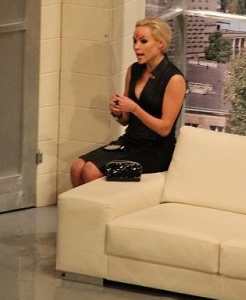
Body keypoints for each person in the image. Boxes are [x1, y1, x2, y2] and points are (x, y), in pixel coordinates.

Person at [69, 17, 187, 187]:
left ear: (160, 44)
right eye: (134, 41)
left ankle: (102, 205)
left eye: (143, 41)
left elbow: (164, 129)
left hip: (156, 150)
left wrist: (135, 109)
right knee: (77, 167)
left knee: (91, 171)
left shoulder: (174, 79)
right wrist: (118, 112)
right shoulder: (134, 70)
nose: (136, 47)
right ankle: (80, 206)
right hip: (130, 141)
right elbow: (125, 120)